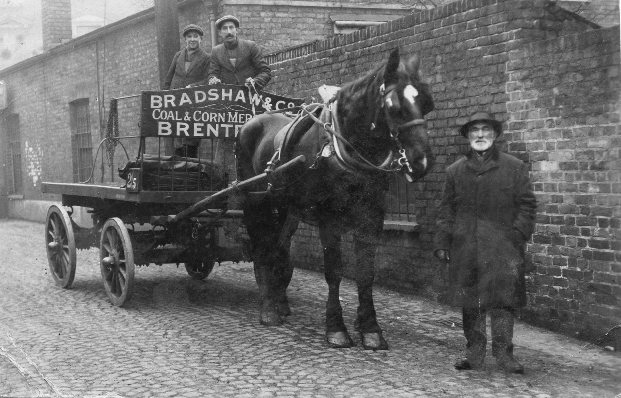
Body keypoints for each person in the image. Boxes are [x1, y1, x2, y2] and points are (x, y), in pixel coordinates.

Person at [433, 111, 537, 373]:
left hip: (503, 248)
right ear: (468, 136)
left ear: (495, 135)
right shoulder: (455, 171)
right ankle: (474, 355)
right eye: (474, 130)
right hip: (466, 248)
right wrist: (443, 244)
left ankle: (505, 355)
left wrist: (516, 236)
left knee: (504, 301)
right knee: (471, 302)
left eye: (485, 130)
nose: (480, 135)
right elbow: (446, 211)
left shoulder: (514, 167)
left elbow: (527, 205)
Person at [163, 23, 210, 158]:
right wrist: (166, 96)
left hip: (194, 104)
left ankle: (190, 173)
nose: (192, 39)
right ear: (185, 40)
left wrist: (194, 87)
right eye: (189, 36)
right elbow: (168, 78)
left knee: (191, 142)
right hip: (176, 103)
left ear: (200, 39)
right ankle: (177, 174)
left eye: (196, 36)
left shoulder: (206, 58)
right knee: (177, 138)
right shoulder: (178, 56)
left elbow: (208, 80)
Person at [207, 15, 271, 90]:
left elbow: (265, 71)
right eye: (225, 28)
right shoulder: (216, 51)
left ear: (236, 30)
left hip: (250, 96)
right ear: (220, 33)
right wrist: (213, 80)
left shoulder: (250, 46)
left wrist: (254, 82)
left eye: (231, 27)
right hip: (228, 98)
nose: (229, 32)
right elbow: (213, 74)